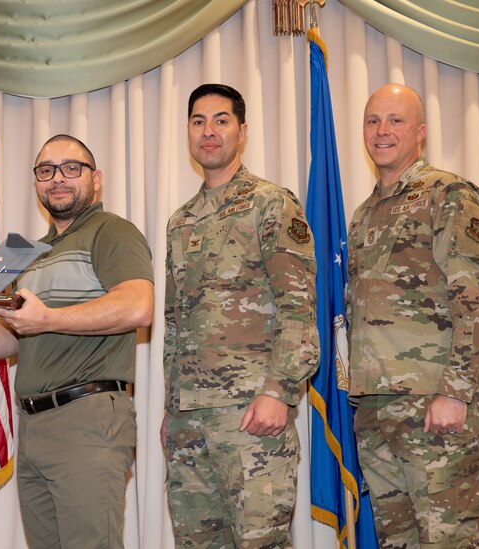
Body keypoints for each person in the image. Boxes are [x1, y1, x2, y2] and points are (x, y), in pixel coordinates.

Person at [0, 134, 154, 549]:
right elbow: (16, 336)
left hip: (87, 420)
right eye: (46, 171)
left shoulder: (112, 232)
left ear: (96, 178)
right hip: (32, 426)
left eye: (71, 168)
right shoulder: (29, 254)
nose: (58, 179)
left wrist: (47, 317)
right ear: (36, 183)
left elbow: (138, 306)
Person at [347, 84, 479, 548]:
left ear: (420, 132)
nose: (382, 131)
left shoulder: (448, 193)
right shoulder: (363, 215)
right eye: (373, 120)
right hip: (377, 410)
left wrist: (456, 393)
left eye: (395, 120)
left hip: (435, 406)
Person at [161, 83, 319, 548]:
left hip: (252, 415)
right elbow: (174, 323)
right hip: (189, 421)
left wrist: (280, 390)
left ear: (242, 131)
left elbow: (299, 306)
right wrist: (172, 407)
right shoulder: (180, 220)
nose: (208, 132)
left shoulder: (271, 203)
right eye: (198, 121)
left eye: (221, 120)